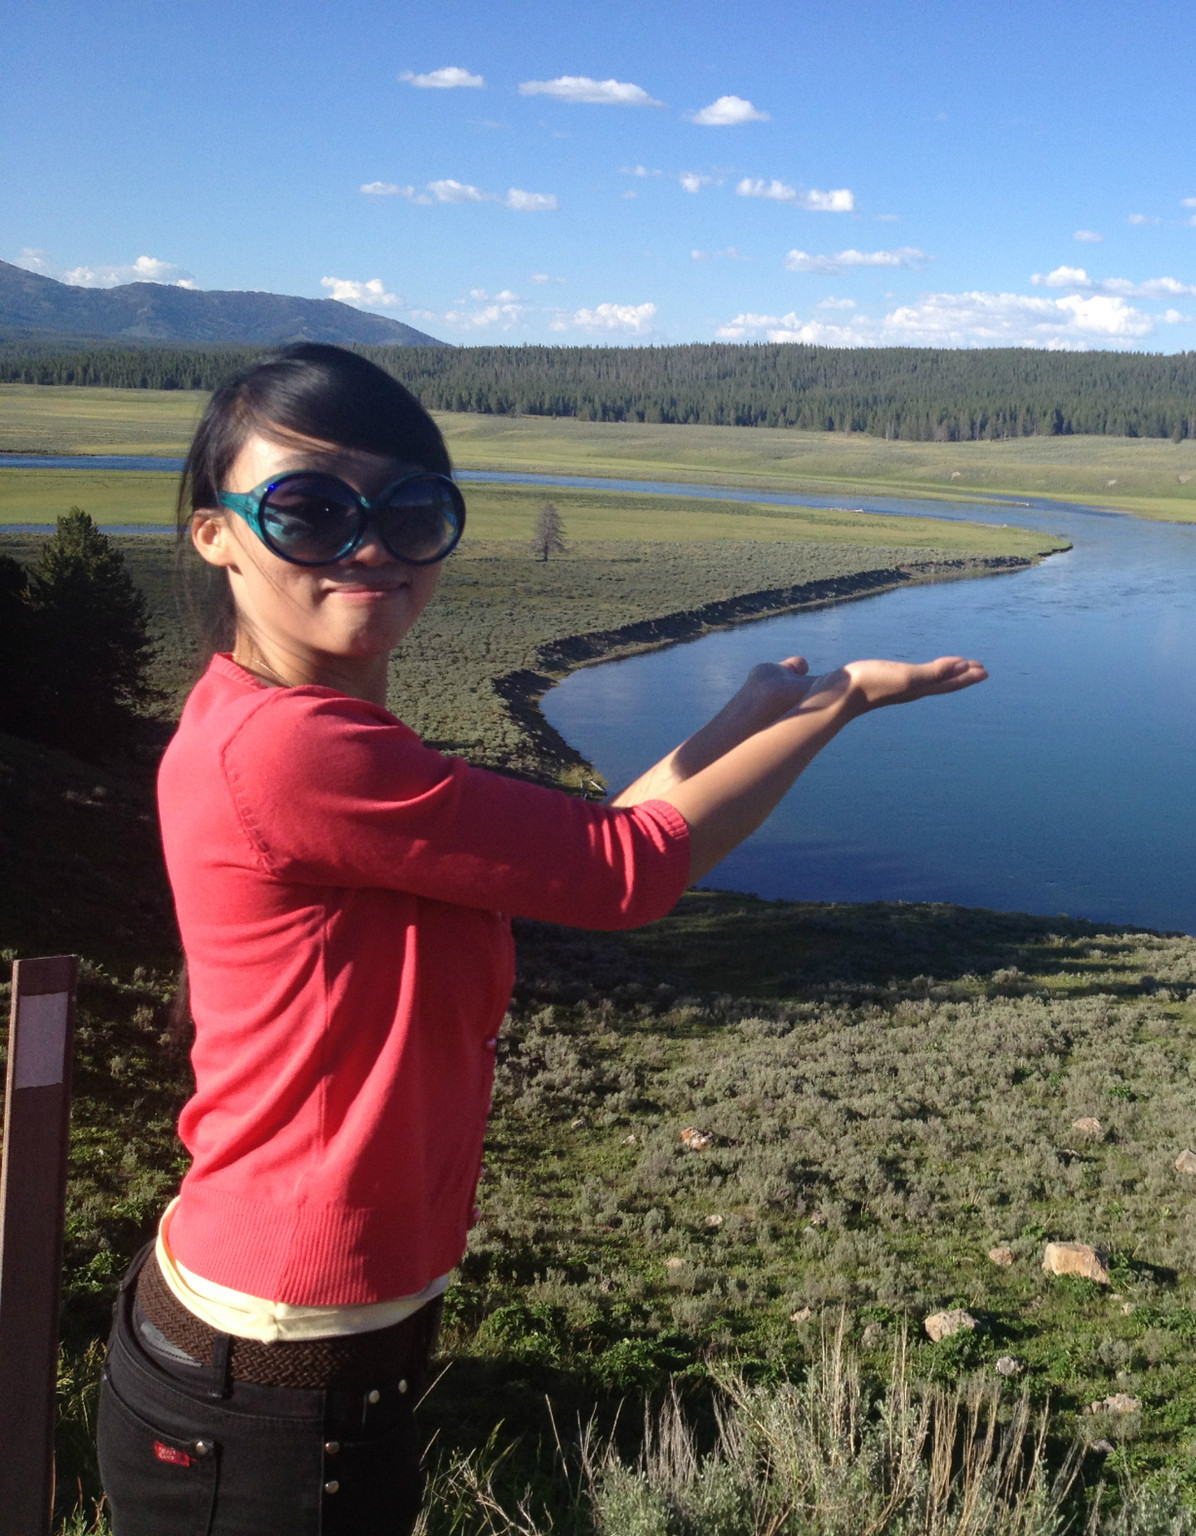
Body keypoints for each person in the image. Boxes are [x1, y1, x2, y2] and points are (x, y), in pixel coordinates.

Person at [95, 343, 985, 1534]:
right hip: (271, 1364)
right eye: (308, 511)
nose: (369, 544)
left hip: (282, 1346)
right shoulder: (295, 751)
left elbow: (584, 845)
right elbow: (631, 874)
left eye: (413, 510)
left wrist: (746, 711)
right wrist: (844, 699)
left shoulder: (277, 722)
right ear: (216, 535)